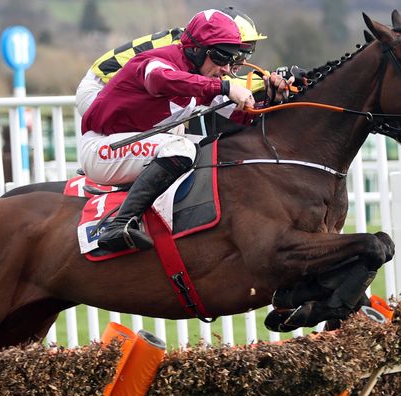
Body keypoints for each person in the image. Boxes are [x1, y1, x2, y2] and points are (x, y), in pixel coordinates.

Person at [80, 9, 291, 253]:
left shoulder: (201, 78)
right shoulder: (157, 62)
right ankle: (119, 225)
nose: (226, 68)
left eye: (231, 60)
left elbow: (245, 117)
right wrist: (223, 87)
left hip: (129, 145)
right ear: (195, 50)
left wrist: (274, 102)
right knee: (181, 147)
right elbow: (161, 80)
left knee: (214, 147)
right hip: (102, 148)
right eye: (221, 58)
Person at [74, 6, 268, 118]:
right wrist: (266, 80)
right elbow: (217, 86)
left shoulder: (197, 43)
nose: (239, 61)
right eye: (235, 52)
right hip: (98, 89)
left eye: (246, 54)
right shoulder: (189, 49)